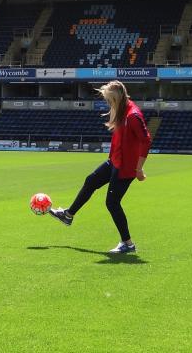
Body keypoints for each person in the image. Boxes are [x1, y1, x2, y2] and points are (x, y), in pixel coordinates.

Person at [49, 80, 151, 254]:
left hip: (126, 167)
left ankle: (128, 243)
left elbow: (146, 140)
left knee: (112, 203)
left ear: (116, 98)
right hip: (115, 161)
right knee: (91, 181)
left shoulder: (132, 115)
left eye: (109, 100)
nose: (108, 103)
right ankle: (68, 215)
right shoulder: (121, 111)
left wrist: (139, 168)